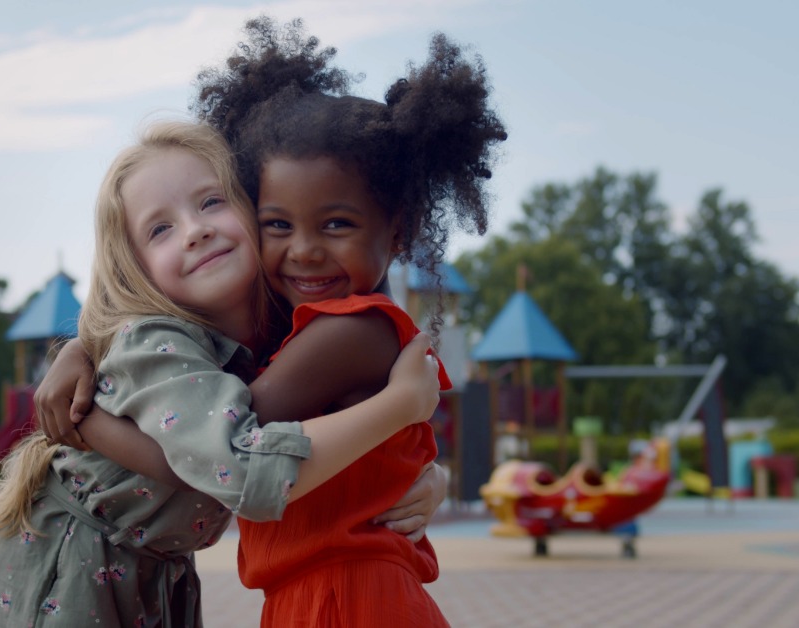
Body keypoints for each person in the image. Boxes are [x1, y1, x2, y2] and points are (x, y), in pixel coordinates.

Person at [40, 17, 507, 626]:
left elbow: (226, 456)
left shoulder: (350, 331)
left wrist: (84, 424)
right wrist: (83, 347)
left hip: (346, 596)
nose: (306, 250)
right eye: (278, 225)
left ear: (398, 232)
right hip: (324, 594)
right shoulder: (314, 324)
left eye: (336, 224)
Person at [0, 121, 443, 627]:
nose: (196, 230)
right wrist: (400, 407)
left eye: (211, 202)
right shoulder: (153, 341)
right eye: (160, 229)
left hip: (156, 567)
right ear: (136, 269)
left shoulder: (279, 331)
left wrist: (430, 471)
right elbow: (233, 465)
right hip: (72, 558)